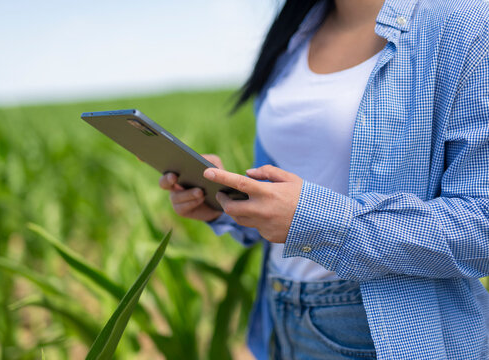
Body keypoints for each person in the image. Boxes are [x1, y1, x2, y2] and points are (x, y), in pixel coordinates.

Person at [159, 0, 489, 358]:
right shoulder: (297, 32)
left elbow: (481, 224)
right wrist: (221, 201)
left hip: (384, 330)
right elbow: (286, 199)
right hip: (279, 313)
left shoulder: (464, 23)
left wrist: (315, 219)